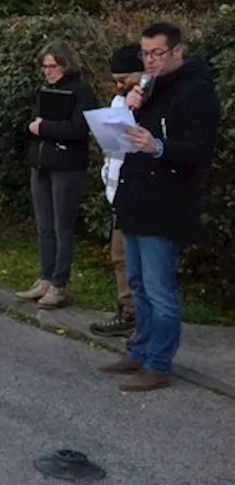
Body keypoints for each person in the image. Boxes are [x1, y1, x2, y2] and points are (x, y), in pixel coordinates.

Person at [101, 22, 221, 393]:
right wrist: (128, 114)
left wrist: (161, 148)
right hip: (135, 196)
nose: (149, 61)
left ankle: (158, 363)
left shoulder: (196, 92)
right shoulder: (147, 89)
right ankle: (140, 349)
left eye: (156, 54)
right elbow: (129, 142)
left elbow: (200, 151)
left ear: (178, 53)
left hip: (166, 203)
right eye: (145, 54)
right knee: (136, 283)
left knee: (158, 288)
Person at [15, 41, 98, 309]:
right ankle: (45, 278)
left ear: (66, 64)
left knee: (63, 226)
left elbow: (80, 128)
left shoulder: (81, 92)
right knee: (45, 225)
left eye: (52, 66)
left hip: (67, 166)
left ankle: (59, 284)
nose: (48, 71)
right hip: (42, 162)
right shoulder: (47, 91)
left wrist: (44, 128)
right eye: (45, 66)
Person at [89, 45, 145, 338]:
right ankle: (127, 310)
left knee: (133, 261)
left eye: (125, 78)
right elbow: (113, 147)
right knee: (119, 257)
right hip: (118, 192)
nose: (119, 85)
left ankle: (136, 317)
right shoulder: (119, 100)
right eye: (116, 79)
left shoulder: (147, 101)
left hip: (139, 195)